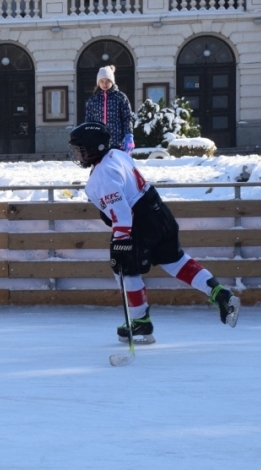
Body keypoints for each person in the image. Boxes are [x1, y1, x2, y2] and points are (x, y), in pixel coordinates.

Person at [68, 121, 239, 343]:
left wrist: (120, 247)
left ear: (94, 148)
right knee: (176, 261)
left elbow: (123, 216)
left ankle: (140, 322)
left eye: (79, 148)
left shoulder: (100, 178)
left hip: (140, 222)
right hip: (158, 210)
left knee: (124, 271)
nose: (76, 154)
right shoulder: (117, 155)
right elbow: (125, 190)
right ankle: (219, 293)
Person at [84, 65, 135, 153]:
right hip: (98, 143)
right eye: (102, 81)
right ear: (98, 82)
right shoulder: (93, 99)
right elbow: (89, 121)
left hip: (117, 142)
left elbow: (127, 118)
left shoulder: (120, 97)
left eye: (108, 81)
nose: (105, 84)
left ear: (112, 81)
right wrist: (89, 136)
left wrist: (128, 135)